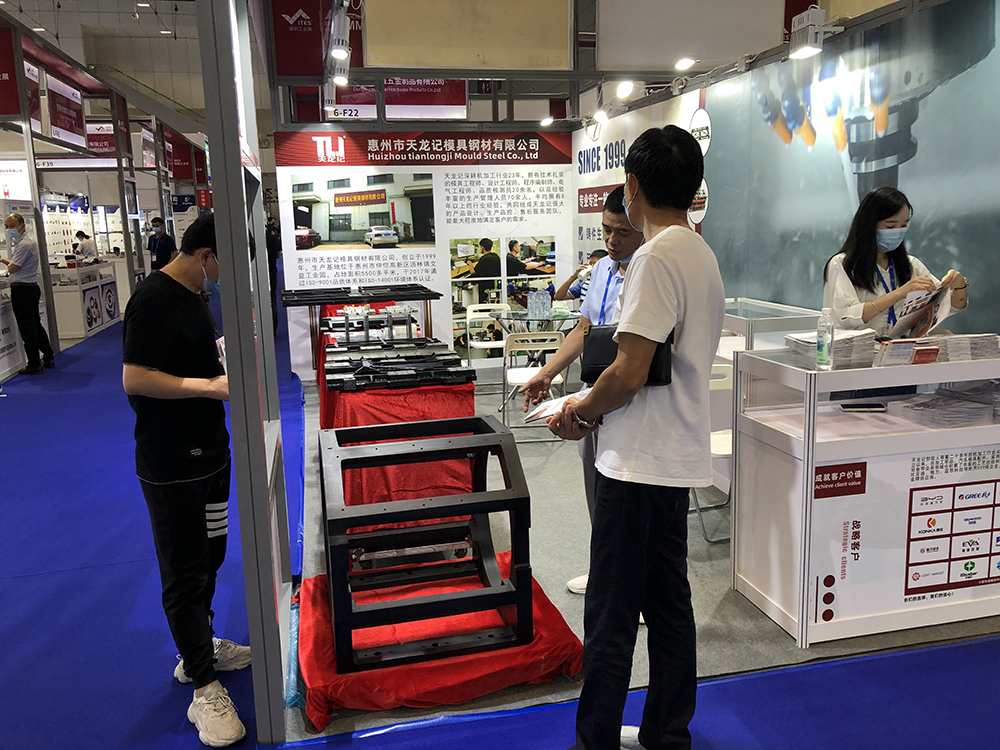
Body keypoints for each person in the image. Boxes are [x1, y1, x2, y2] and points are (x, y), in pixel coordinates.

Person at [547, 126, 725, 750]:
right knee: (669, 604)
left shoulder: (654, 257)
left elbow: (627, 372)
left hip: (637, 461)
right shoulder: (699, 253)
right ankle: (667, 732)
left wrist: (581, 411)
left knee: (612, 613)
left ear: (634, 186)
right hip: (675, 456)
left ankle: (594, 740)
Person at [122, 213, 250, 748]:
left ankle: (199, 646)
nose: (225, 277)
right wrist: (211, 387)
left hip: (211, 454)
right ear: (206, 255)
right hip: (171, 462)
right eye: (225, 264)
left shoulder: (195, 294)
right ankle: (203, 685)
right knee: (184, 569)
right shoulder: (152, 299)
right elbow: (135, 378)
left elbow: (191, 356)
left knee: (210, 557)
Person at [519, 186, 643, 595]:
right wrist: (547, 373)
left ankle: (633, 588)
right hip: (592, 392)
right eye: (606, 230)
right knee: (595, 486)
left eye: (622, 232)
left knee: (625, 495)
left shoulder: (648, 271)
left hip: (630, 396)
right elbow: (583, 329)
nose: (611, 240)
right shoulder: (602, 269)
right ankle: (605, 570)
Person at [823, 186, 969, 337]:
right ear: (869, 225)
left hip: (901, 346)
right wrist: (899, 293)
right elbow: (846, 317)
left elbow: (947, 306)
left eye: (903, 225)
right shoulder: (842, 264)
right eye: (890, 226)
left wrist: (959, 285)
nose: (897, 232)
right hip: (860, 347)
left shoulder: (911, 265)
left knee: (946, 335)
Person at [2, 213, 55, 375]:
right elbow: (15, 266)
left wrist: (5, 263)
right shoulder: (26, 243)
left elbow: (13, 268)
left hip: (23, 290)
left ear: (22, 226)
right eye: (6, 226)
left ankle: (34, 363)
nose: (9, 229)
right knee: (35, 325)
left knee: (27, 328)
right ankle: (48, 356)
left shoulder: (24, 245)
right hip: (29, 288)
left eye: (12, 226)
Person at [469, 238, 500, 303]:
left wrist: (470, 264)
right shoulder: (495, 256)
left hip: (484, 286)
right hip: (493, 284)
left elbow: (473, 273)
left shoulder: (484, 259)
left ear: (482, 247)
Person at [266, 224, 282, 336]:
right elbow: (278, 255)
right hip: (271, 272)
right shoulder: (275, 239)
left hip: (254, 275)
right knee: (272, 301)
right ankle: (273, 332)